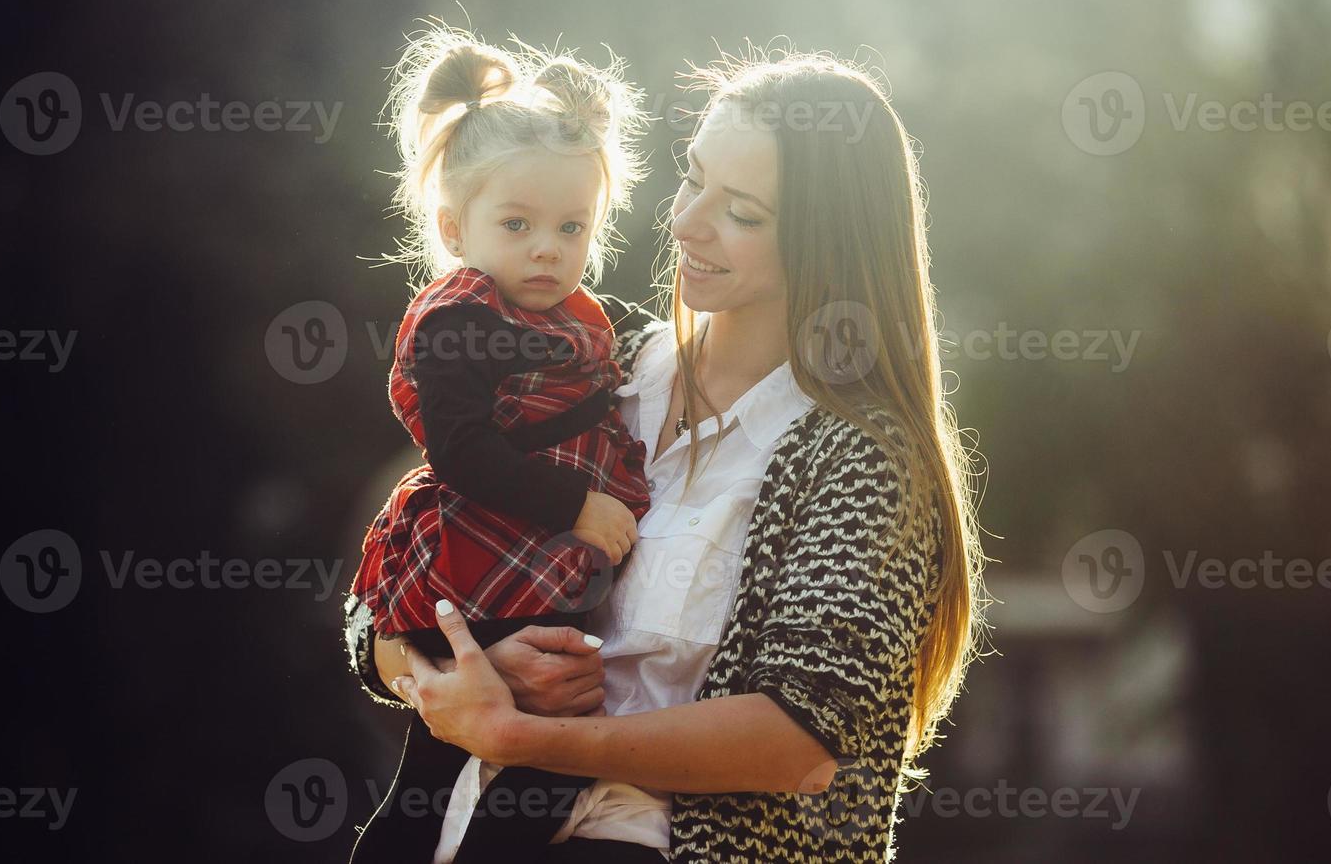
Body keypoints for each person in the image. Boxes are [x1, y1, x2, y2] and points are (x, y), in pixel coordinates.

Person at [344, 48, 989, 863]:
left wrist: (523, 734)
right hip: (459, 830)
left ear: (824, 244)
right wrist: (463, 660)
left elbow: (800, 742)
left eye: (743, 213)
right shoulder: (588, 366)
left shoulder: (864, 463)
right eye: (692, 178)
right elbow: (381, 601)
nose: (685, 222)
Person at [345, 24, 655, 863]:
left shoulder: (568, 320)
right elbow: (462, 454)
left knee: (522, 777)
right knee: (444, 784)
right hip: (476, 576)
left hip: (529, 583)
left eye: (572, 227)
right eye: (516, 224)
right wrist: (580, 505)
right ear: (454, 226)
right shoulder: (461, 319)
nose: (548, 249)